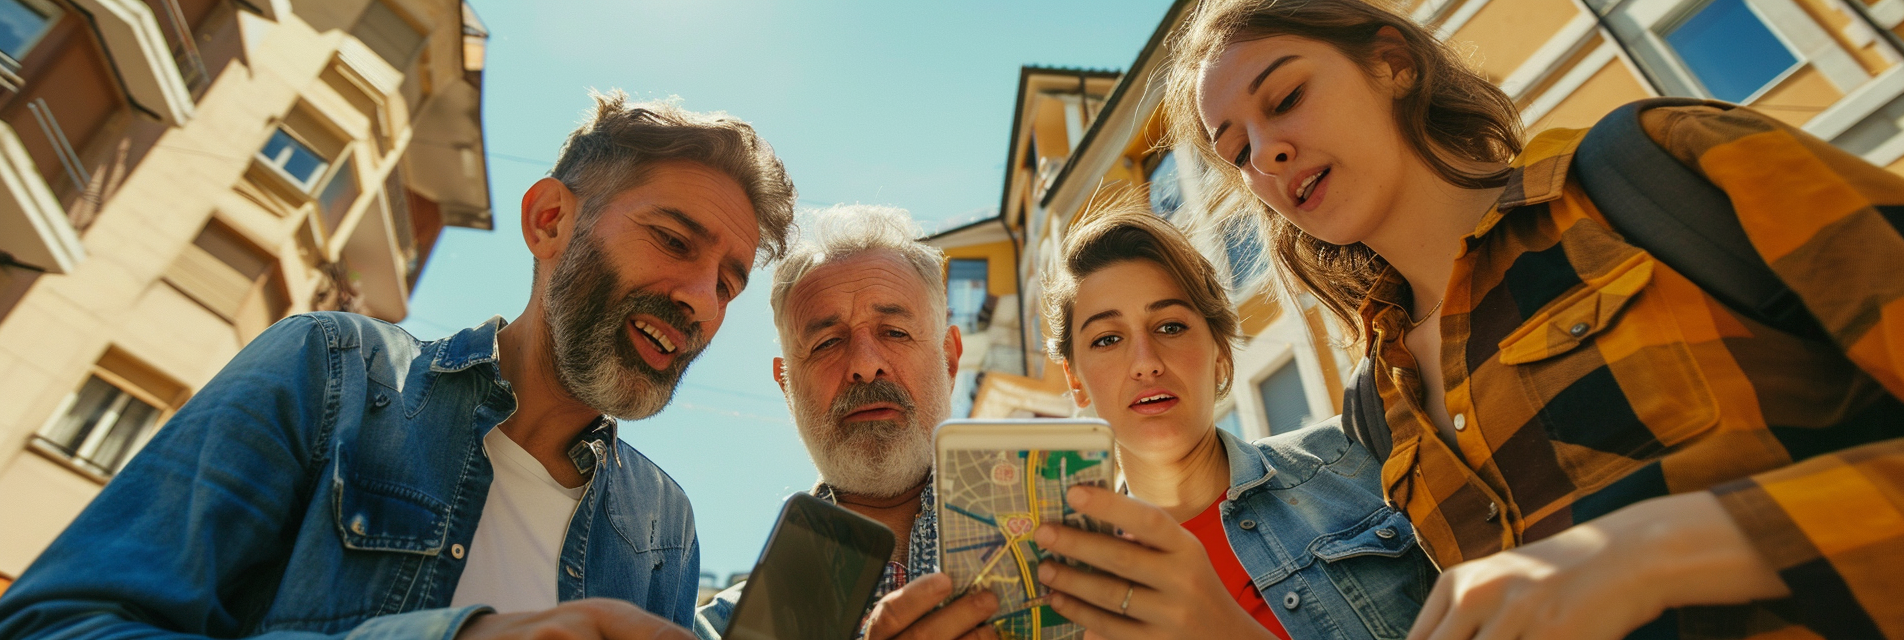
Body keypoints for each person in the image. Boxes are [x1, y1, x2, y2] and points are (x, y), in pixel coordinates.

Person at [1165, 0, 1904, 638]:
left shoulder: (1658, 170)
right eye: (1237, 152)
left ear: (1393, 65)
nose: (1267, 153)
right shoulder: (1378, 410)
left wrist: (1667, 549)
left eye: (1286, 97)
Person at [0, 90, 796, 640]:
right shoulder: (334, 372)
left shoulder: (665, 526)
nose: (701, 298)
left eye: (729, 281)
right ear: (550, 219)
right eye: (674, 240)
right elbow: (58, 622)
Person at [1031, 197, 1434, 640]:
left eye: (1170, 327)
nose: (1144, 363)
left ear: (1220, 354)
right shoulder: (1062, 596)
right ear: (1075, 379)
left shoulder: (1362, 461)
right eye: (1107, 339)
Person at [694, 205, 999, 640]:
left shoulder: (1060, 573)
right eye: (826, 343)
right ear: (786, 386)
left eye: (894, 331)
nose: (864, 365)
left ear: (949, 360)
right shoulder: (720, 630)